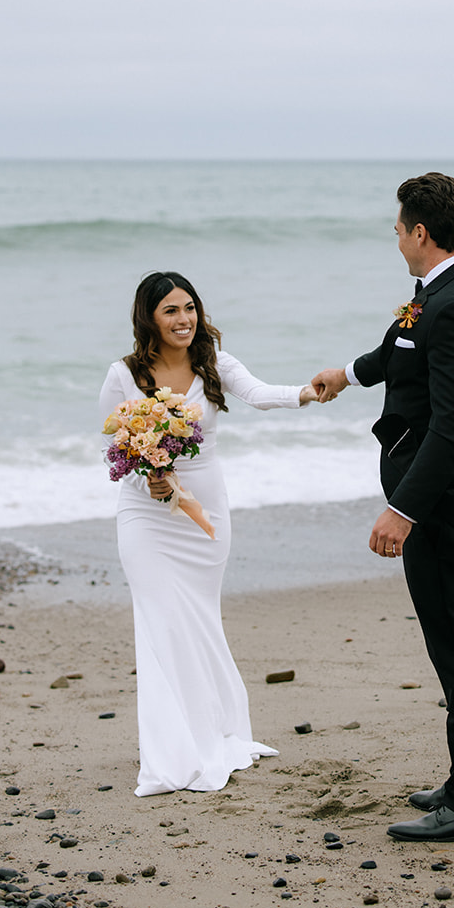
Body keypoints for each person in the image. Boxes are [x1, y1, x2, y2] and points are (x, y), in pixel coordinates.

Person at [313, 172, 454, 843]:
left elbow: (452, 428)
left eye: (398, 228)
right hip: (446, 507)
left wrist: (402, 510)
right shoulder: (436, 293)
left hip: (453, 511)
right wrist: (349, 373)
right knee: (452, 647)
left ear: (419, 232)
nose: (394, 237)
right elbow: (401, 347)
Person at [99, 269, 319, 796]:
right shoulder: (124, 374)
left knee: (197, 621)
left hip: (205, 517)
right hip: (145, 517)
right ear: (149, 317)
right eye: (171, 310)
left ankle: (211, 733)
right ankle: (173, 749)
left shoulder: (214, 363)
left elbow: (260, 393)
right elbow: (109, 445)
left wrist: (307, 393)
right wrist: (149, 472)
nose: (184, 319)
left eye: (190, 308)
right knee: (160, 623)